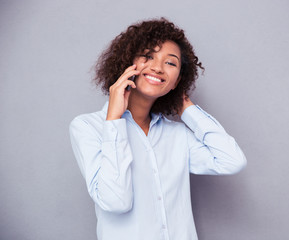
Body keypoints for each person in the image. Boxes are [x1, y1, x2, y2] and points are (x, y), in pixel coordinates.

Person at [69, 17, 246, 240]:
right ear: (127, 61)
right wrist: (113, 120)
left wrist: (186, 107)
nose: (157, 67)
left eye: (170, 63)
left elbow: (231, 160)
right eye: (148, 56)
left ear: (177, 80)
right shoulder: (88, 127)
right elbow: (116, 202)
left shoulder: (178, 135)